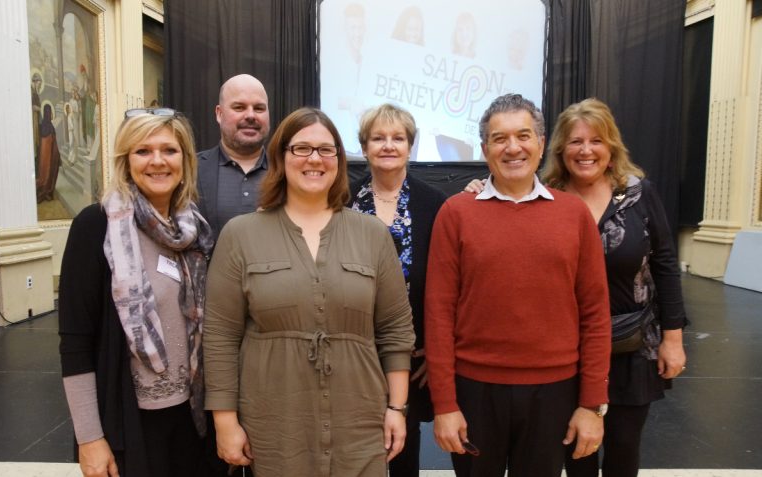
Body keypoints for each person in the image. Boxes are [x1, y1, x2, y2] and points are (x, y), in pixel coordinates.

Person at [203, 107, 415, 476]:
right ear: (281, 157)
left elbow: (396, 330)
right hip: (273, 424)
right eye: (301, 149)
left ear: (338, 159)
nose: (314, 159)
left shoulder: (372, 234)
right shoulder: (241, 234)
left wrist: (396, 409)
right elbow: (220, 336)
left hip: (360, 421)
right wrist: (225, 421)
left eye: (325, 149)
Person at [425, 93, 611, 477]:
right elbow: (438, 313)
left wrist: (592, 404)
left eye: (523, 136)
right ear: (484, 148)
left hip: (556, 391)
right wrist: (444, 404)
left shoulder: (573, 214)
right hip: (474, 391)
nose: (513, 148)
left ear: (541, 144)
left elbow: (595, 313)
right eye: (499, 138)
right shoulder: (456, 213)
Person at [59, 108, 213, 476]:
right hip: (129, 422)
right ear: (126, 161)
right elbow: (76, 342)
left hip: (193, 416)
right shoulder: (95, 226)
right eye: (143, 151)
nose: (157, 161)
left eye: (169, 150)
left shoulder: (194, 229)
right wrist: (89, 438)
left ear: (185, 160)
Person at [543, 98, 687, 477]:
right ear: (561, 149)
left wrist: (673, 339)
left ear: (611, 147)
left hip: (632, 347)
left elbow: (666, 265)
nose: (586, 150)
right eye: (575, 141)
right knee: (576, 450)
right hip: (566, 349)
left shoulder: (639, 194)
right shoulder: (545, 198)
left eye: (596, 141)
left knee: (623, 447)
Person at [349, 103, 447, 476]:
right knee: (355, 445)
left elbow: (443, 285)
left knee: (404, 449)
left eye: (398, 138)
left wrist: (435, 349)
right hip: (353, 350)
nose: (388, 145)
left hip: (412, 352)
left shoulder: (434, 203)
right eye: (378, 138)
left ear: (410, 146)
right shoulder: (344, 200)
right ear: (364, 146)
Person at [197, 74, 271, 241]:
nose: (251, 115)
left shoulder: (288, 170)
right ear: (219, 113)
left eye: (259, 108)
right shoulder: (190, 170)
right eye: (239, 107)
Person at [35, 103, 61, 203]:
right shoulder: (45, 127)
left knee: (51, 173)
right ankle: (45, 192)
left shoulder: (48, 126)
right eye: (49, 112)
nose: (50, 115)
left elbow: (54, 143)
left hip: (51, 156)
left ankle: (48, 192)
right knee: (45, 174)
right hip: (45, 158)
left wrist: (57, 155)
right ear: (46, 113)